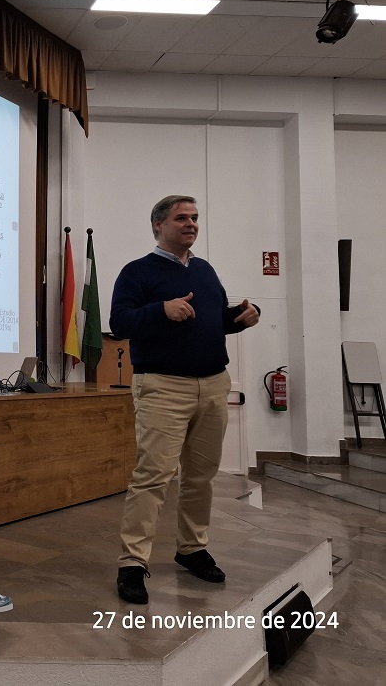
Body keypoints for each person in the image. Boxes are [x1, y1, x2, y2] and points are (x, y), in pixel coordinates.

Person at [110, 195, 260, 604]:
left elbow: (212, 322)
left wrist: (244, 316)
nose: (191, 224)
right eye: (181, 218)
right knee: (153, 477)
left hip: (213, 385)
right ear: (159, 224)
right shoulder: (137, 272)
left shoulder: (206, 271)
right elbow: (120, 322)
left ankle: (192, 549)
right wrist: (161, 309)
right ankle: (132, 564)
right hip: (163, 387)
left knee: (200, 475)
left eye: (194, 218)